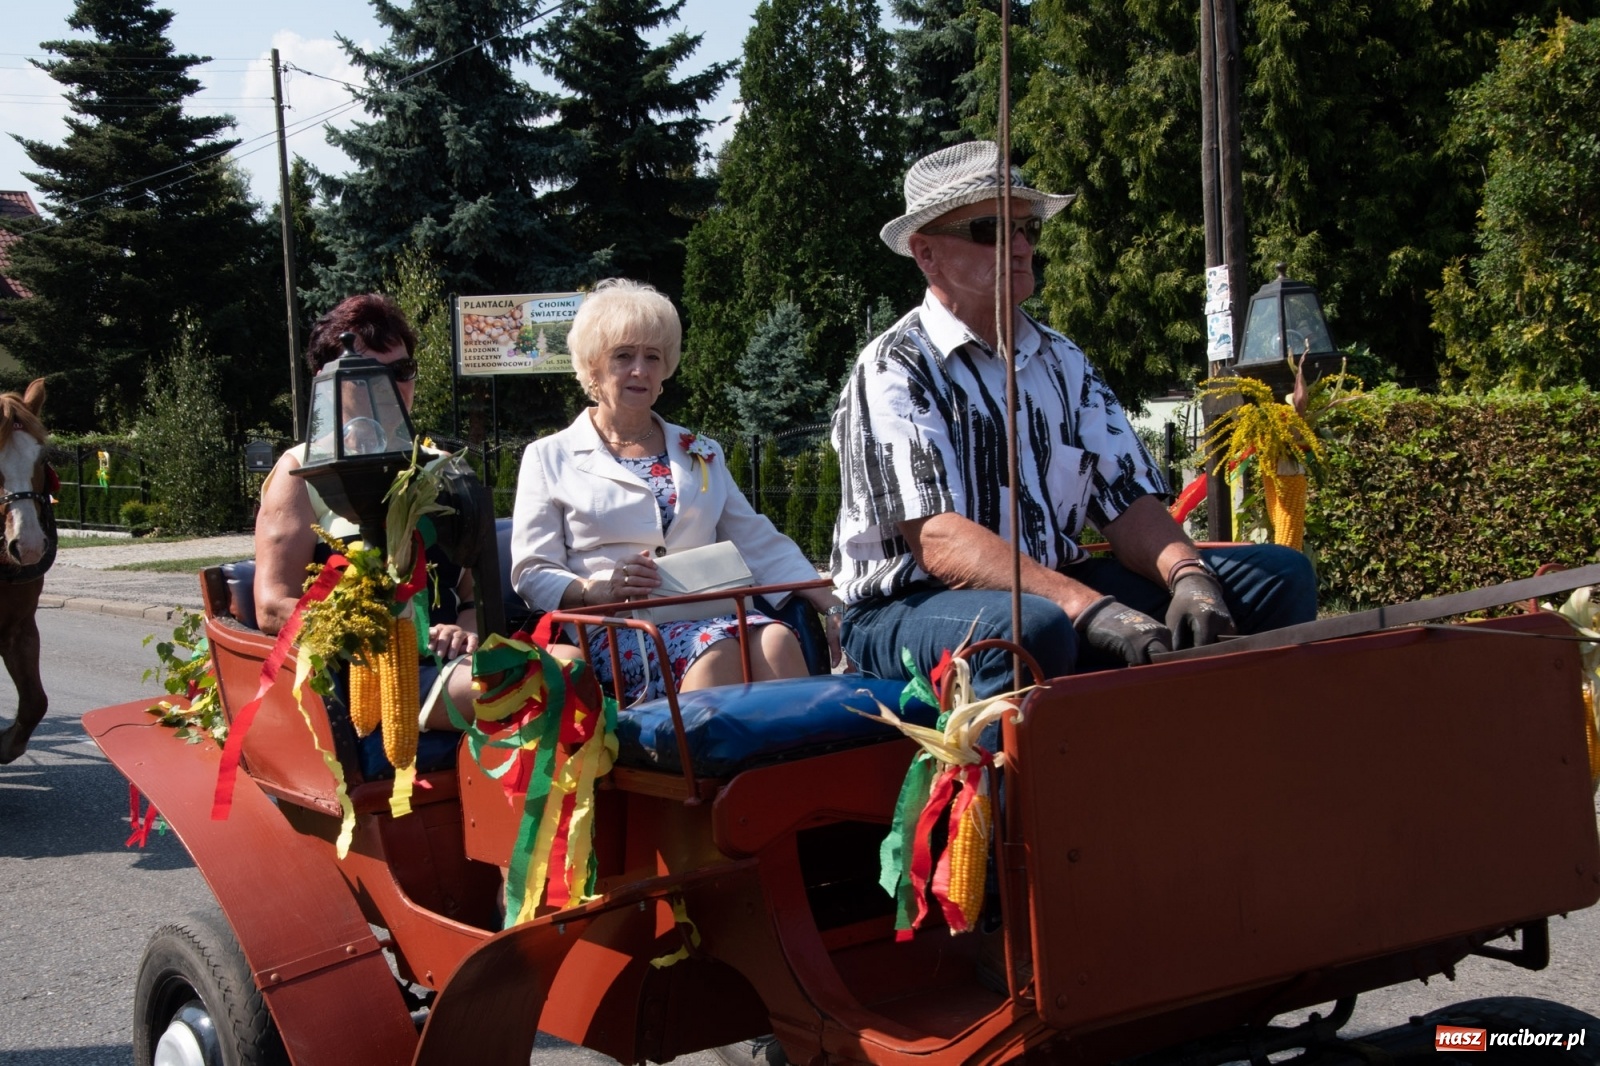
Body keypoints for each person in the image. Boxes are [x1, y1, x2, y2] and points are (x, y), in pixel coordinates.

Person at [831, 141, 1318, 700]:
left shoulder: (1063, 361)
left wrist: (1191, 578)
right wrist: (1091, 609)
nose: (1019, 247)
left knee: (1279, 578)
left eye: (1028, 229)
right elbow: (939, 541)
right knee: (1031, 629)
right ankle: (1017, 788)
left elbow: (1128, 500)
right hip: (904, 607)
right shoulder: (894, 367)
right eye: (991, 229)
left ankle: (1236, 767)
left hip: (1048, 585)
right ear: (926, 254)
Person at [510, 278, 840, 703]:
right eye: (623, 356)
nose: (639, 370)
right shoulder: (548, 456)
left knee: (778, 640)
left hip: (709, 614)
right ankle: (696, 770)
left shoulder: (701, 451)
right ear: (592, 366)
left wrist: (831, 605)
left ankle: (787, 769)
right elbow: (532, 571)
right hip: (615, 628)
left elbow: (757, 541)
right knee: (715, 652)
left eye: (652, 357)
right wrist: (597, 589)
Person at [255, 294, 478, 732]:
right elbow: (271, 606)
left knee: (569, 664)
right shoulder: (300, 471)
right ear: (328, 384)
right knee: (529, 686)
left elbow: (473, 594)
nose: (394, 386)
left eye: (402, 371)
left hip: (453, 663)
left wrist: (464, 627)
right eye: (370, 375)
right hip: (362, 678)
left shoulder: (442, 467)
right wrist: (372, 634)